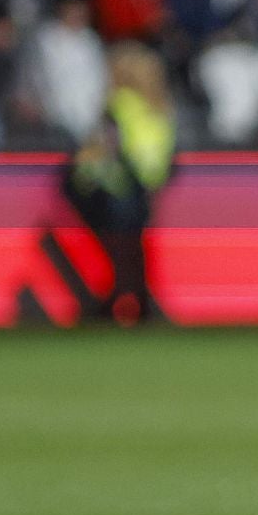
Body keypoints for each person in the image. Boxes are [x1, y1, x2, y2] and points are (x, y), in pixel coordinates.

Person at [62, 42, 177, 323]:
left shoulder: (119, 103)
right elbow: (161, 153)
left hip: (120, 186)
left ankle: (123, 300)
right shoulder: (160, 106)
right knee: (133, 249)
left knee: (122, 249)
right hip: (145, 185)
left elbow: (103, 149)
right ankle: (137, 300)